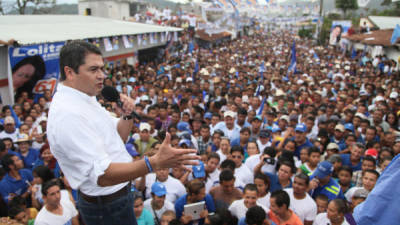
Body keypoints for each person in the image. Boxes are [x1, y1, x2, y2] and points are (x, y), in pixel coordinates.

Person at [47, 41, 198, 225]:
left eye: (102, 69)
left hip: (119, 196)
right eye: (93, 69)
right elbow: (103, 176)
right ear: (70, 72)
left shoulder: (86, 98)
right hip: (106, 207)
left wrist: (127, 116)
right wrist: (154, 163)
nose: (102, 76)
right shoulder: (68, 114)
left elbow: (117, 139)